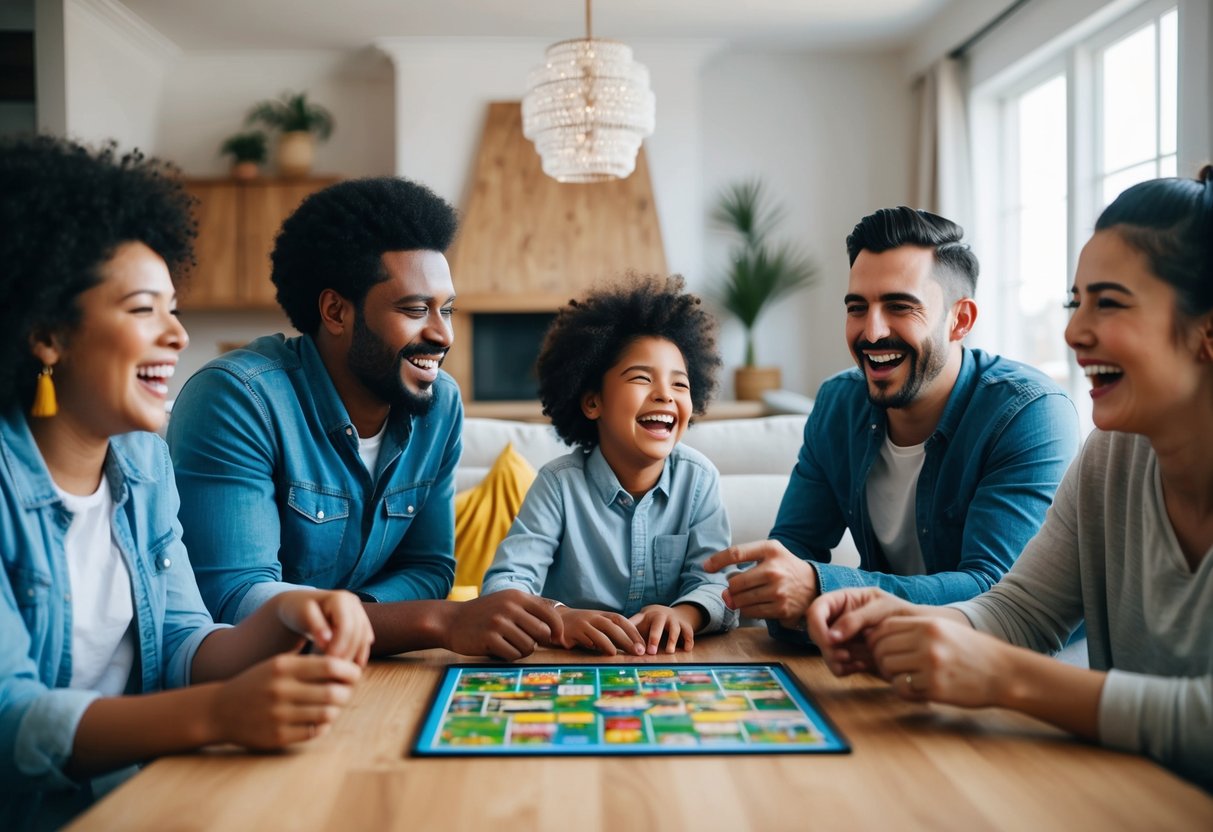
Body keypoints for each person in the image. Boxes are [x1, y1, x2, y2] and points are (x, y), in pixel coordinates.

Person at [0, 136, 373, 828]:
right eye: (143, 309)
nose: (176, 333)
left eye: (173, 306)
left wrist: (283, 616)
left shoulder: (142, 462)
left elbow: (177, 641)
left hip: (140, 800)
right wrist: (217, 715)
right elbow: (11, 719)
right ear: (47, 334)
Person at [808, 170, 1213, 788]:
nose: (1074, 332)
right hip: (1124, 792)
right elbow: (1020, 609)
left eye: (1109, 302)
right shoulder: (1109, 457)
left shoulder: (1033, 411)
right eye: (1076, 302)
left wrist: (1004, 677)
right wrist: (904, 622)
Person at [167, 177, 563, 660]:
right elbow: (234, 598)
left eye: (448, 309)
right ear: (336, 311)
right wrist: (440, 620)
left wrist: (362, 619)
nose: (442, 334)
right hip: (255, 684)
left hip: (371, 669)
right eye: (416, 309)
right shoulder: (236, 399)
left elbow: (430, 567)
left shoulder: (440, 406)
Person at [705, 207, 1081, 642]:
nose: (872, 331)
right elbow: (791, 555)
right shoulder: (838, 405)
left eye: (900, 306)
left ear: (960, 320)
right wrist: (776, 591)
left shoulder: (1029, 413)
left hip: (1026, 672)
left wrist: (822, 591)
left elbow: (997, 599)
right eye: (857, 308)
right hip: (885, 656)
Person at [482, 275, 737, 655]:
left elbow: (717, 584)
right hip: (569, 667)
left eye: (680, 385)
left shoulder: (698, 481)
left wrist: (684, 614)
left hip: (667, 665)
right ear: (592, 402)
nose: (665, 395)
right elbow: (505, 584)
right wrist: (560, 618)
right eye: (641, 378)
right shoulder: (558, 485)